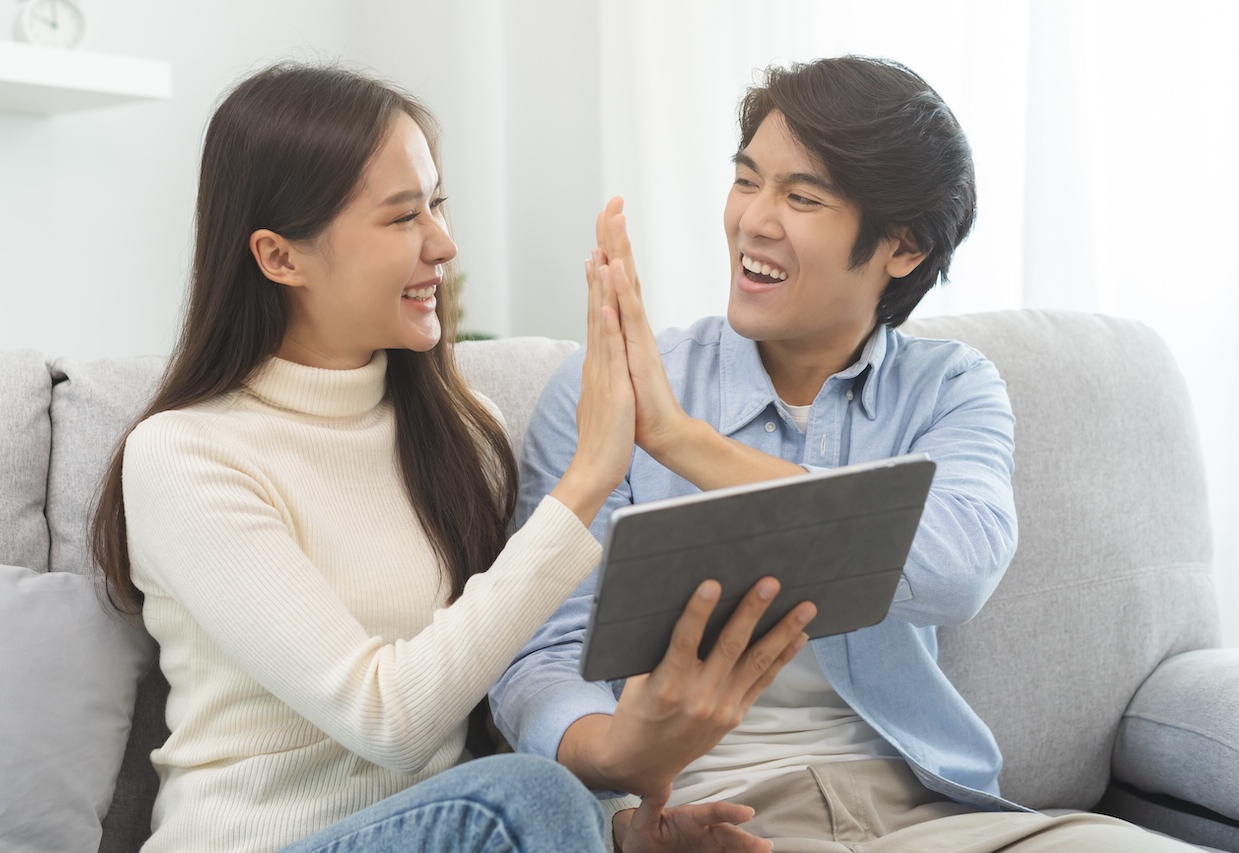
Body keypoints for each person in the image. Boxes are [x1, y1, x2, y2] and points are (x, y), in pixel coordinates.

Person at [87, 62, 810, 853]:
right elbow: (388, 720)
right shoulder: (188, 455)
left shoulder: (463, 433)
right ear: (279, 256)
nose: (443, 243)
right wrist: (588, 481)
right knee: (521, 797)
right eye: (402, 218)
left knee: (539, 797)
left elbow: (481, 698)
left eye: (436, 203)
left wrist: (615, 835)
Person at [490, 56, 1202, 852]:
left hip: (936, 810)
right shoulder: (608, 389)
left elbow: (957, 567)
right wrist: (617, 769)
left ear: (902, 247)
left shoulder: (951, 389)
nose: (754, 220)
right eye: (747, 179)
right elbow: (541, 657)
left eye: (802, 197)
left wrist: (684, 442)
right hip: (727, 815)